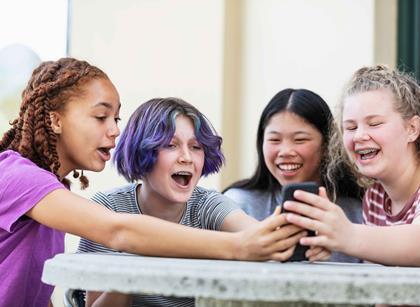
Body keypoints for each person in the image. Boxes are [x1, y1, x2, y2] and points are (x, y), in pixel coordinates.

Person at [0, 58, 305, 307]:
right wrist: (239, 247)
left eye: (116, 119)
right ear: (55, 120)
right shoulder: (18, 176)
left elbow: (30, 292)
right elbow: (117, 230)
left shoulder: (49, 191)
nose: (114, 131)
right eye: (101, 117)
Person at [79, 97, 292, 306]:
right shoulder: (108, 209)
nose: (187, 157)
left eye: (196, 147)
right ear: (140, 150)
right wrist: (131, 269)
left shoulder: (207, 206)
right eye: (171, 145)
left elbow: (259, 236)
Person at [284, 65, 420, 267]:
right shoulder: (375, 197)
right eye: (350, 127)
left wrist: (347, 235)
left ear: (412, 129)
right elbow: (381, 289)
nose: (359, 136)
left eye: (374, 123)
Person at [223, 88, 363, 263]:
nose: (285, 151)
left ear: (328, 145)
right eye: (274, 140)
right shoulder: (236, 204)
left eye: (300, 140)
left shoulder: (359, 211)